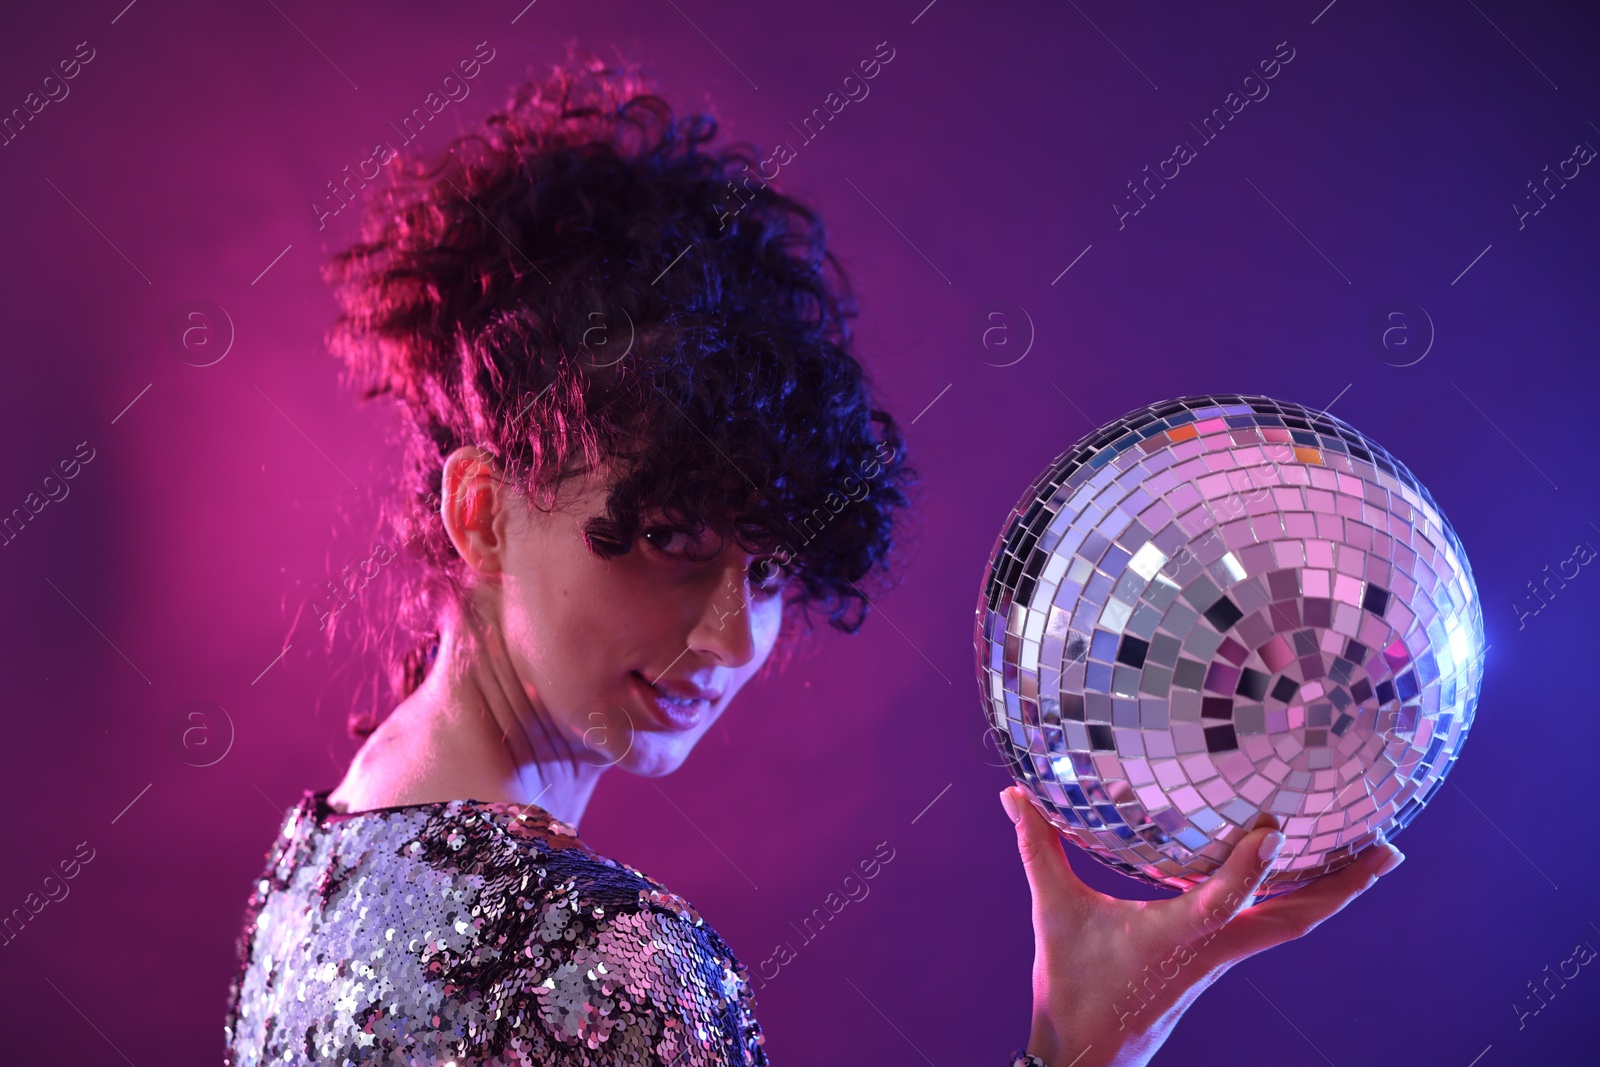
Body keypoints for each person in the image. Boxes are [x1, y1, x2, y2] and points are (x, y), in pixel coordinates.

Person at [222, 52, 1406, 1067]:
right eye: (673, 538)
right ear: (482, 510)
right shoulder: (600, 958)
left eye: (776, 566)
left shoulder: (323, 849)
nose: (732, 639)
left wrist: (1084, 1033)